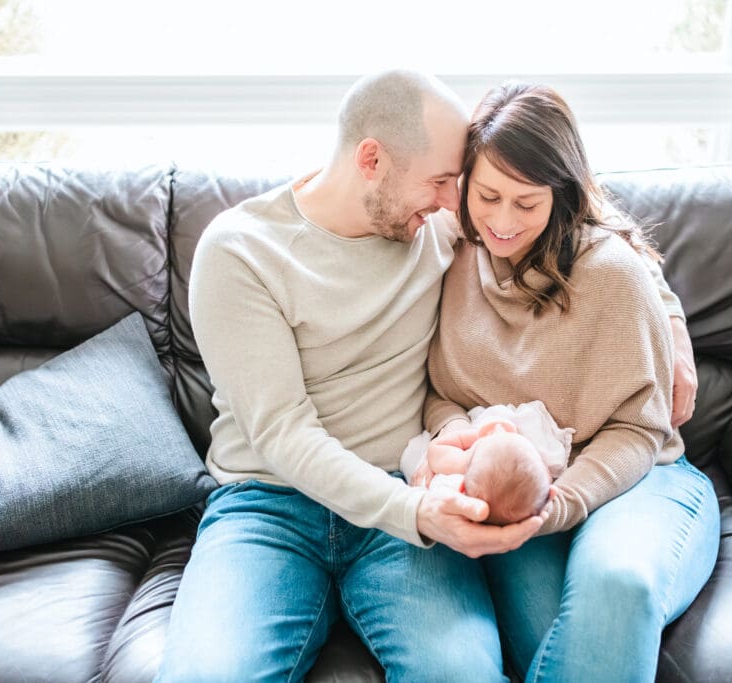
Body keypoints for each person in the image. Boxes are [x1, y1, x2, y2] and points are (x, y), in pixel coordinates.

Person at [154, 70, 548, 683]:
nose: (453, 202)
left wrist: (670, 312)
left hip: (402, 492)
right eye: (440, 181)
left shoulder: (435, 228)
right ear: (372, 160)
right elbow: (282, 432)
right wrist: (414, 511)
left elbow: (575, 221)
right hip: (268, 506)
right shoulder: (241, 252)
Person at [423, 82, 721, 682]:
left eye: (527, 203)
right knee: (550, 643)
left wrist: (561, 500)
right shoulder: (453, 258)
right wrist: (467, 442)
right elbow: (441, 394)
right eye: (488, 196)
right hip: (518, 494)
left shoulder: (612, 274)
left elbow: (640, 427)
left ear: (561, 194)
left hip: (637, 478)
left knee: (616, 586)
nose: (503, 222)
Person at [401, 401, 572, 525]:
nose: (503, 430)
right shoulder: (549, 459)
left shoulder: (459, 466)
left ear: (462, 488)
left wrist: (475, 438)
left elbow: (435, 448)